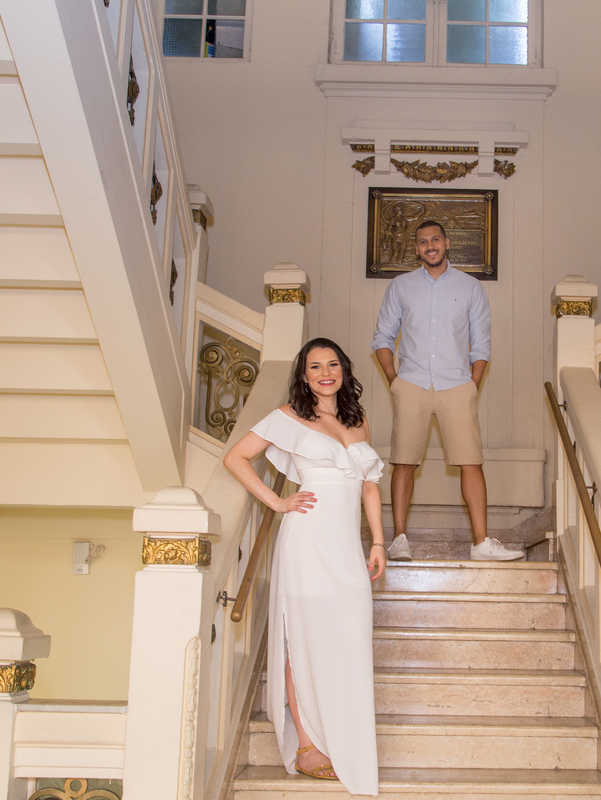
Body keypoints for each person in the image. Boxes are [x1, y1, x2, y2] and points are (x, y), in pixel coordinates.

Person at [223, 338, 385, 796]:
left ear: (343, 370)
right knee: (303, 636)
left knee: (349, 635)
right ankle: (309, 745)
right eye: (315, 367)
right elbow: (235, 457)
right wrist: (276, 501)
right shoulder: (288, 417)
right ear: (304, 375)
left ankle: (342, 735)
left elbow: (369, 486)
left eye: (332, 364)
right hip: (307, 541)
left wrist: (376, 541)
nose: (325, 373)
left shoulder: (357, 419)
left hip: (346, 548)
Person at [372, 220, 522, 562]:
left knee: (471, 462)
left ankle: (482, 544)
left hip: (457, 385)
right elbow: (382, 337)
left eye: (435, 239)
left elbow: (481, 342)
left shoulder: (470, 287)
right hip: (411, 383)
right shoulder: (401, 286)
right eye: (423, 242)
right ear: (416, 248)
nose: (430, 246)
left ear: (447, 242)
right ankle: (399, 540)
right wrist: (394, 380)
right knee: (403, 461)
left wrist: (473, 385)